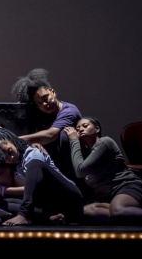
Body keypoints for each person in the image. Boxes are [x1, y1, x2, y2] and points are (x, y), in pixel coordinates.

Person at [11, 68, 91, 202]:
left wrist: (15, 139)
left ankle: (82, 192)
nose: (44, 104)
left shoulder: (69, 110)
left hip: (75, 162)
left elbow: (50, 135)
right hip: (53, 161)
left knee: (64, 136)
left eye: (45, 98)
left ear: (52, 91)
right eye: (38, 103)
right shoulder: (40, 114)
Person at [0, 127, 84, 225]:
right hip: (52, 204)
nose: (10, 157)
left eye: (10, 151)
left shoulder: (33, 154)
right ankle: (49, 218)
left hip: (69, 197)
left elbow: (32, 189)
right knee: (3, 204)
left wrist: (3, 190)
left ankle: (23, 215)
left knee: (35, 163)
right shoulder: (16, 165)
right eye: (5, 158)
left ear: (12, 141)